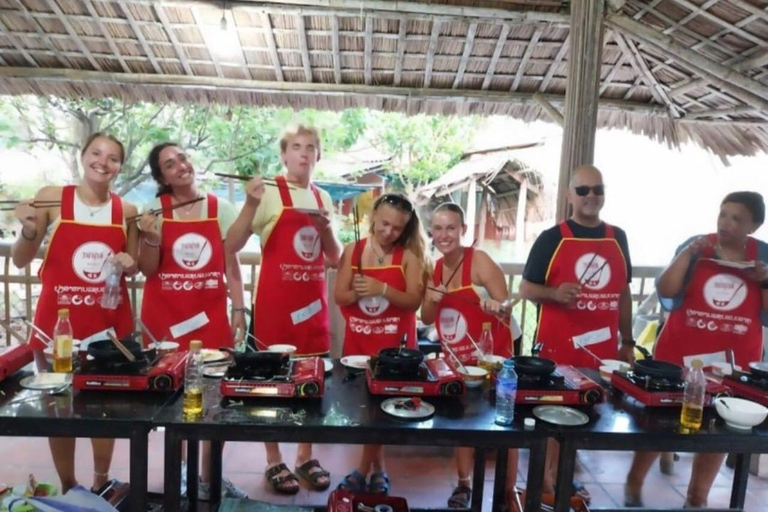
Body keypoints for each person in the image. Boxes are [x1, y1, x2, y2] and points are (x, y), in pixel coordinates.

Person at [11, 132, 137, 494]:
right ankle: (68, 485)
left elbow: (131, 267)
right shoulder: (53, 196)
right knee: (58, 409)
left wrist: (130, 264)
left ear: (120, 167)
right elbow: (20, 258)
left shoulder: (126, 211)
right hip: (58, 327)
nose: (103, 161)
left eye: (113, 157)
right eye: (96, 153)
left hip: (106, 329)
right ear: (83, 156)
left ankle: (101, 481)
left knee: (105, 409)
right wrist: (30, 228)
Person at [625, 191, 768, 508]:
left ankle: (697, 496)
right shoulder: (697, 245)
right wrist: (688, 255)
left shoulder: (764, 256)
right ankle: (634, 483)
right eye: (723, 214)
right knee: (658, 422)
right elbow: (667, 290)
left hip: (731, 361)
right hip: (680, 352)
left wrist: (765, 280)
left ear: (754, 226)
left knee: (719, 428)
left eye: (736, 218)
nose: (726, 223)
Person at [226, 125, 341, 495]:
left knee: (312, 386)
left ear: (318, 156)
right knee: (269, 387)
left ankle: (305, 456)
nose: (304, 153)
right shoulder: (269, 193)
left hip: (313, 310)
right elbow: (232, 243)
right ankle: (274, 459)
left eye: (311, 147)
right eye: (296, 147)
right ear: (284, 155)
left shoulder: (323, 197)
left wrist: (325, 230)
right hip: (275, 308)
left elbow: (335, 256)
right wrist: (249, 203)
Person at [137, 142, 247, 500]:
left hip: (210, 320)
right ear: (162, 177)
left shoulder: (222, 209)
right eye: (170, 164)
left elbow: (232, 267)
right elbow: (148, 270)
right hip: (165, 321)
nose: (180, 165)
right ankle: (180, 478)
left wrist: (239, 310)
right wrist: (151, 238)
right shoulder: (153, 211)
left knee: (215, 404)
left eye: (182, 158)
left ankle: (209, 478)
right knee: (173, 408)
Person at [520, 164, 634, 503]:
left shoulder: (618, 236)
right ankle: (541, 485)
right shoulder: (551, 237)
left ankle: (562, 479)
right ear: (570, 195)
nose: (591, 196)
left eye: (597, 189)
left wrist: (627, 341)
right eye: (583, 190)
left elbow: (623, 293)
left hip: (601, 349)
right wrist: (554, 294)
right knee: (550, 417)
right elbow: (526, 289)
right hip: (557, 347)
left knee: (588, 416)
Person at [420, 202, 518, 509]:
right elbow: (424, 316)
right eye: (438, 228)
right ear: (431, 233)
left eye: (451, 228)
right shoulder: (434, 268)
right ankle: (463, 485)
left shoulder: (480, 261)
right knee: (462, 422)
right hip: (458, 359)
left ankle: (507, 490)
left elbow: (505, 309)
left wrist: (493, 303)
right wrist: (433, 301)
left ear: (463, 230)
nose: (444, 234)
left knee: (505, 423)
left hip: (493, 357)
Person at [334, 192, 429, 495]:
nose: (389, 232)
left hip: (395, 349)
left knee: (384, 411)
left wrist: (382, 288)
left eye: (397, 228)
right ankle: (378, 469)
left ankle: (365, 470)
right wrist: (358, 293)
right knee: (366, 411)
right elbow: (341, 297)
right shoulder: (353, 250)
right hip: (360, 342)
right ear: (373, 215)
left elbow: (414, 302)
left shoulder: (410, 257)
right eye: (384, 224)